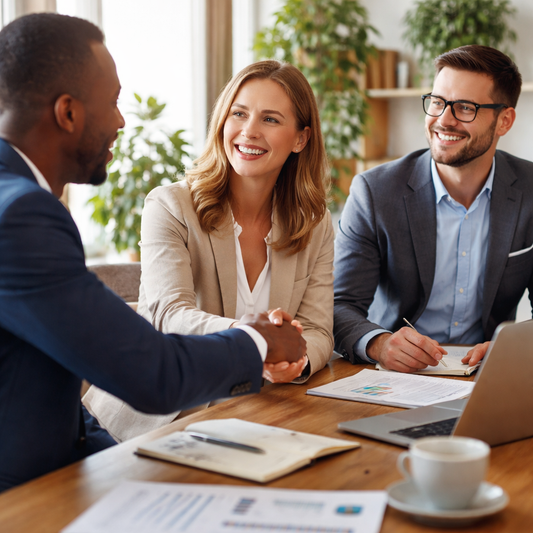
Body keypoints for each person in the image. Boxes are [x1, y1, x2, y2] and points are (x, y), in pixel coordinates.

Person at [0, 14, 306, 493]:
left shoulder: (17, 200)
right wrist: (261, 340)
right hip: (27, 495)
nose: (121, 120)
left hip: (71, 450)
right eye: (114, 103)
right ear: (68, 113)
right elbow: (150, 372)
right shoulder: (20, 216)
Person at [84, 60, 334, 442]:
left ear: (300, 139)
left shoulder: (314, 222)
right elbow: (170, 315)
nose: (249, 131)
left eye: (270, 119)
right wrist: (255, 339)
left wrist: (295, 362)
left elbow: (317, 329)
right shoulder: (170, 206)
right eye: (239, 113)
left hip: (260, 412)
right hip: (160, 419)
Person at [334, 44, 533, 373]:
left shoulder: (529, 191)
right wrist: (379, 343)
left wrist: (509, 347)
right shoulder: (374, 192)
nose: (444, 120)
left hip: (488, 375)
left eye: (465, 107)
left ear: (504, 120)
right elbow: (340, 305)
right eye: (438, 102)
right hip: (395, 376)